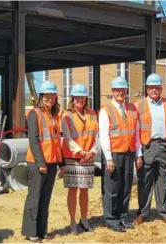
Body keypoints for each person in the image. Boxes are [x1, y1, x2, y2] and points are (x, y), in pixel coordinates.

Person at [134, 73, 166, 225]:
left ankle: (163, 211)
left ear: (161, 89)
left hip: (165, 147)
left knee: (163, 181)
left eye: (157, 87)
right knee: (144, 181)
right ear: (146, 89)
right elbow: (134, 130)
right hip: (147, 146)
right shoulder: (139, 105)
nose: (154, 90)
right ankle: (143, 213)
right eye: (151, 87)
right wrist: (138, 154)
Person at [22, 80, 65, 242]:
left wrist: (62, 164)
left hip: (52, 162)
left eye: (52, 95)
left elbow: (55, 140)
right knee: (34, 197)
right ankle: (30, 231)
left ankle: (41, 230)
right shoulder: (34, 113)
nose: (50, 98)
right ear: (41, 96)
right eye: (46, 95)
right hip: (37, 163)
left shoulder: (53, 116)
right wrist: (41, 163)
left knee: (45, 198)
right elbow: (33, 141)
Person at [99, 76, 141, 232]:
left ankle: (122, 217)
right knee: (112, 188)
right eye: (117, 90)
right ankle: (111, 218)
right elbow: (103, 136)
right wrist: (108, 158)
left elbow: (136, 133)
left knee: (126, 187)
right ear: (112, 92)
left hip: (128, 153)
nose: (120, 93)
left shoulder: (132, 109)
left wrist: (138, 154)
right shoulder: (106, 110)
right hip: (114, 154)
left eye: (123, 90)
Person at [61, 84, 98, 234]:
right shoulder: (66, 115)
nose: (79, 100)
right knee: (73, 190)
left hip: (88, 158)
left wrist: (92, 152)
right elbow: (68, 137)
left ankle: (84, 218)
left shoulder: (92, 114)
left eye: (81, 97)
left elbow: (97, 136)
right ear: (72, 99)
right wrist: (81, 152)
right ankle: (72, 221)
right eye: (76, 97)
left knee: (84, 190)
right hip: (73, 158)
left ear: (85, 98)